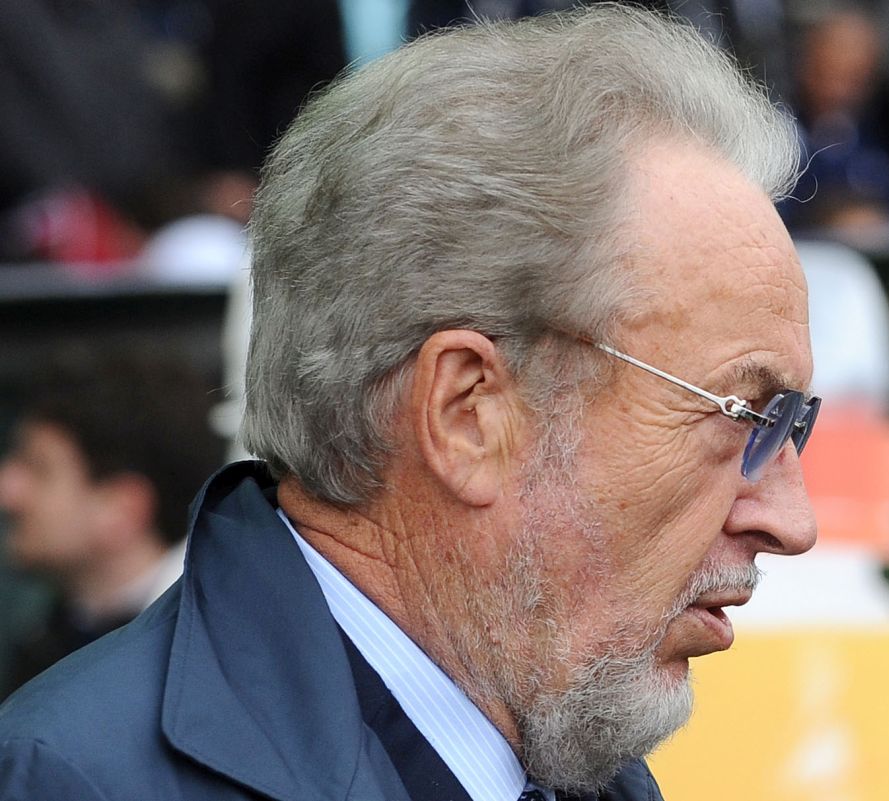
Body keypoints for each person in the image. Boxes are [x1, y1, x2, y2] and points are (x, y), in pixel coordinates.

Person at [0, 6, 820, 800]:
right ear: (469, 412)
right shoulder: (76, 779)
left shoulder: (574, 766)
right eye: (743, 414)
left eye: (793, 425)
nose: (793, 521)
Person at [0, 352, 223, 699]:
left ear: (123, 511)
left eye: (39, 469)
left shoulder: (205, 659)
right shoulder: (49, 641)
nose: (8, 490)